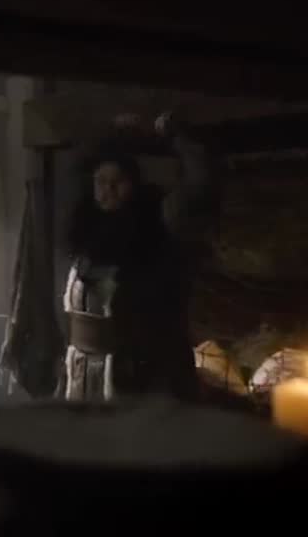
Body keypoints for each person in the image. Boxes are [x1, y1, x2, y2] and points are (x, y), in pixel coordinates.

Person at [61, 111, 215, 401]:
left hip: (140, 369)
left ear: (133, 185)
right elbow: (75, 164)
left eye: (118, 181)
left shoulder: (156, 224)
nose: (109, 189)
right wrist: (112, 132)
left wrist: (175, 137)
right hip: (84, 370)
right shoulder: (85, 228)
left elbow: (199, 184)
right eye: (101, 181)